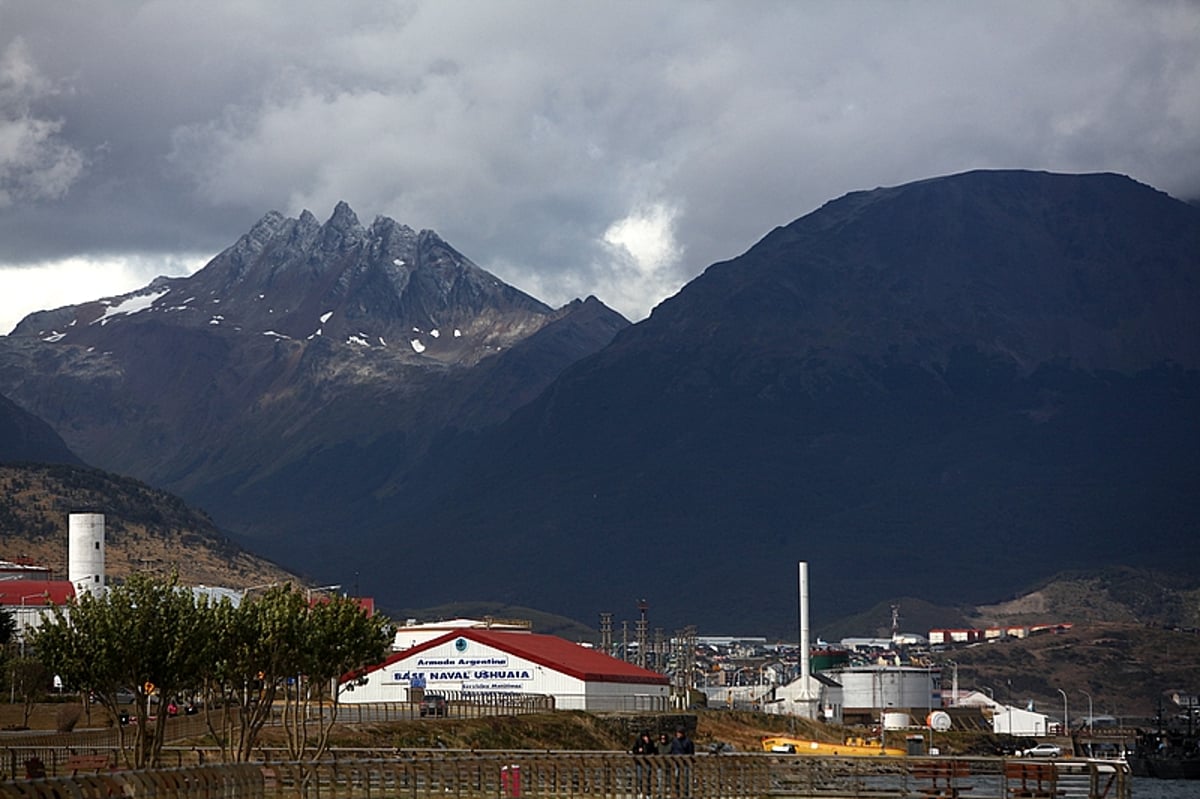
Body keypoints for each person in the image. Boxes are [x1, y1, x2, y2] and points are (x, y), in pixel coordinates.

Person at [631, 730, 655, 797]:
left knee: (647, 778)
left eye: (646, 736)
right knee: (640, 778)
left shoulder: (651, 742)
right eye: (644, 736)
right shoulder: (638, 742)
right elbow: (633, 750)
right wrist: (638, 750)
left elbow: (653, 750)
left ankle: (648, 793)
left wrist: (648, 744)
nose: (645, 737)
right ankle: (641, 791)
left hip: (647, 762)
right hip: (639, 762)